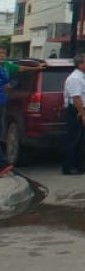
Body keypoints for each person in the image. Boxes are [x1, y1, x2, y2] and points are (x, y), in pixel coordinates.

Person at [0, 46, 46, 176]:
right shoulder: (4, 68)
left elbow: (21, 69)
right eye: (0, 53)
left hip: (3, 103)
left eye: (3, 53)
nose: (2, 55)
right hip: (3, 102)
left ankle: (3, 164)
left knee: (2, 131)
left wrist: (37, 68)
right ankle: (3, 163)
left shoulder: (6, 66)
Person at [62, 53, 85, 175]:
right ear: (80, 64)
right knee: (74, 139)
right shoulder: (75, 78)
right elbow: (76, 98)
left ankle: (80, 165)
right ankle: (69, 167)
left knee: (82, 139)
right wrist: (83, 114)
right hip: (77, 110)